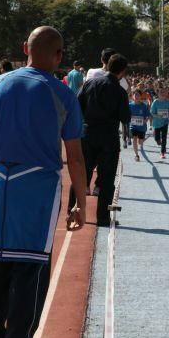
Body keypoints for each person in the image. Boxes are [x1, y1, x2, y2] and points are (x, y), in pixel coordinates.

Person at [0, 26, 86, 338]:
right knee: (29, 268)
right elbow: (75, 156)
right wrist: (80, 202)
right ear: (59, 57)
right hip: (37, 185)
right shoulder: (62, 93)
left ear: (24, 47)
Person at [71, 53, 130, 227]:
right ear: (122, 71)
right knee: (106, 179)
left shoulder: (91, 83)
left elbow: (77, 104)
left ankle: (72, 210)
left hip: (87, 132)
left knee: (82, 173)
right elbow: (125, 117)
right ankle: (102, 217)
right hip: (108, 137)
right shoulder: (119, 91)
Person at [150, 86, 169, 160]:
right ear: (158, 93)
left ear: (166, 93)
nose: (162, 93)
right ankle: (158, 140)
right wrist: (157, 115)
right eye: (160, 92)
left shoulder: (168, 102)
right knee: (157, 139)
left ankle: (162, 152)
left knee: (164, 138)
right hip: (156, 123)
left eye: (164, 92)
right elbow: (152, 113)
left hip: (164, 123)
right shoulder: (155, 102)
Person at [128, 89, 150, 162]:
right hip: (133, 126)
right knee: (134, 138)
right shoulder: (130, 105)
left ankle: (144, 138)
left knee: (140, 142)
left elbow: (148, 116)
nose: (136, 96)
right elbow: (126, 114)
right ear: (132, 96)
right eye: (135, 95)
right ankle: (136, 155)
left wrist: (145, 120)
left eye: (138, 95)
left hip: (142, 127)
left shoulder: (144, 106)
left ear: (141, 96)